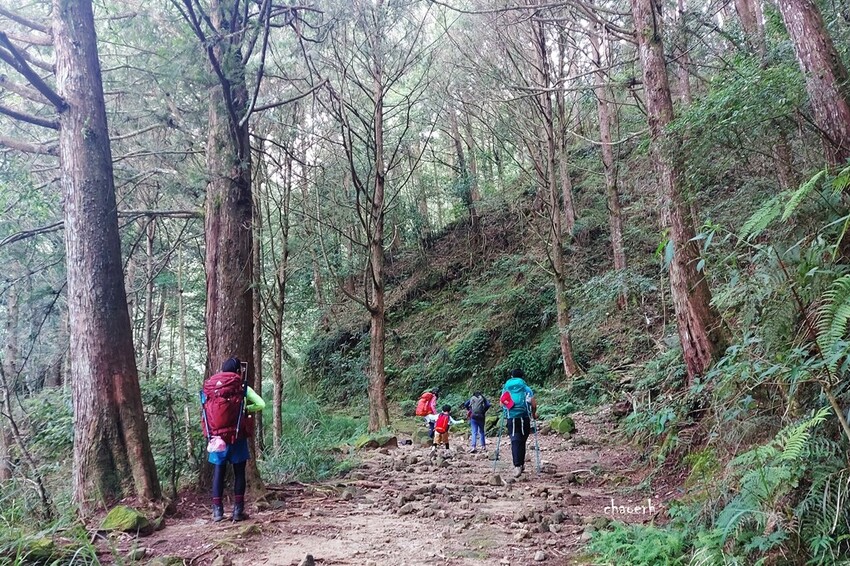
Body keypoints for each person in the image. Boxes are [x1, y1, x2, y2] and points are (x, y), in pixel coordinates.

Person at [203, 357, 266, 522]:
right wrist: (246, 408)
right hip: (237, 436)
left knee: (219, 472)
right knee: (239, 473)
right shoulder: (242, 388)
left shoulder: (210, 389)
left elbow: (204, 409)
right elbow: (261, 404)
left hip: (217, 438)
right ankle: (238, 511)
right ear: (238, 371)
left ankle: (217, 512)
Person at [500, 368, 537, 478]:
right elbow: (533, 404)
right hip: (524, 417)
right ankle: (520, 464)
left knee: (515, 440)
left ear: (512, 376)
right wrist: (533, 415)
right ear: (522, 377)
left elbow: (501, 403)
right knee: (522, 440)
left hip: (511, 417)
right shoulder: (526, 388)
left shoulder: (506, 388)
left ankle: (517, 465)